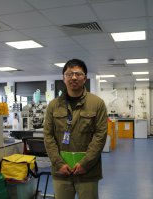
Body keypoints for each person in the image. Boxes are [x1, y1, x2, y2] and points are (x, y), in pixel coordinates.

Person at [44, 59, 108, 199]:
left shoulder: (97, 104)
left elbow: (100, 136)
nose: (73, 77)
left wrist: (85, 163)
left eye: (78, 74)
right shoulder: (53, 105)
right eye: (69, 74)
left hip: (88, 171)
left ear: (84, 78)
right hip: (61, 171)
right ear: (63, 78)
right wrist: (58, 163)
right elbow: (48, 136)